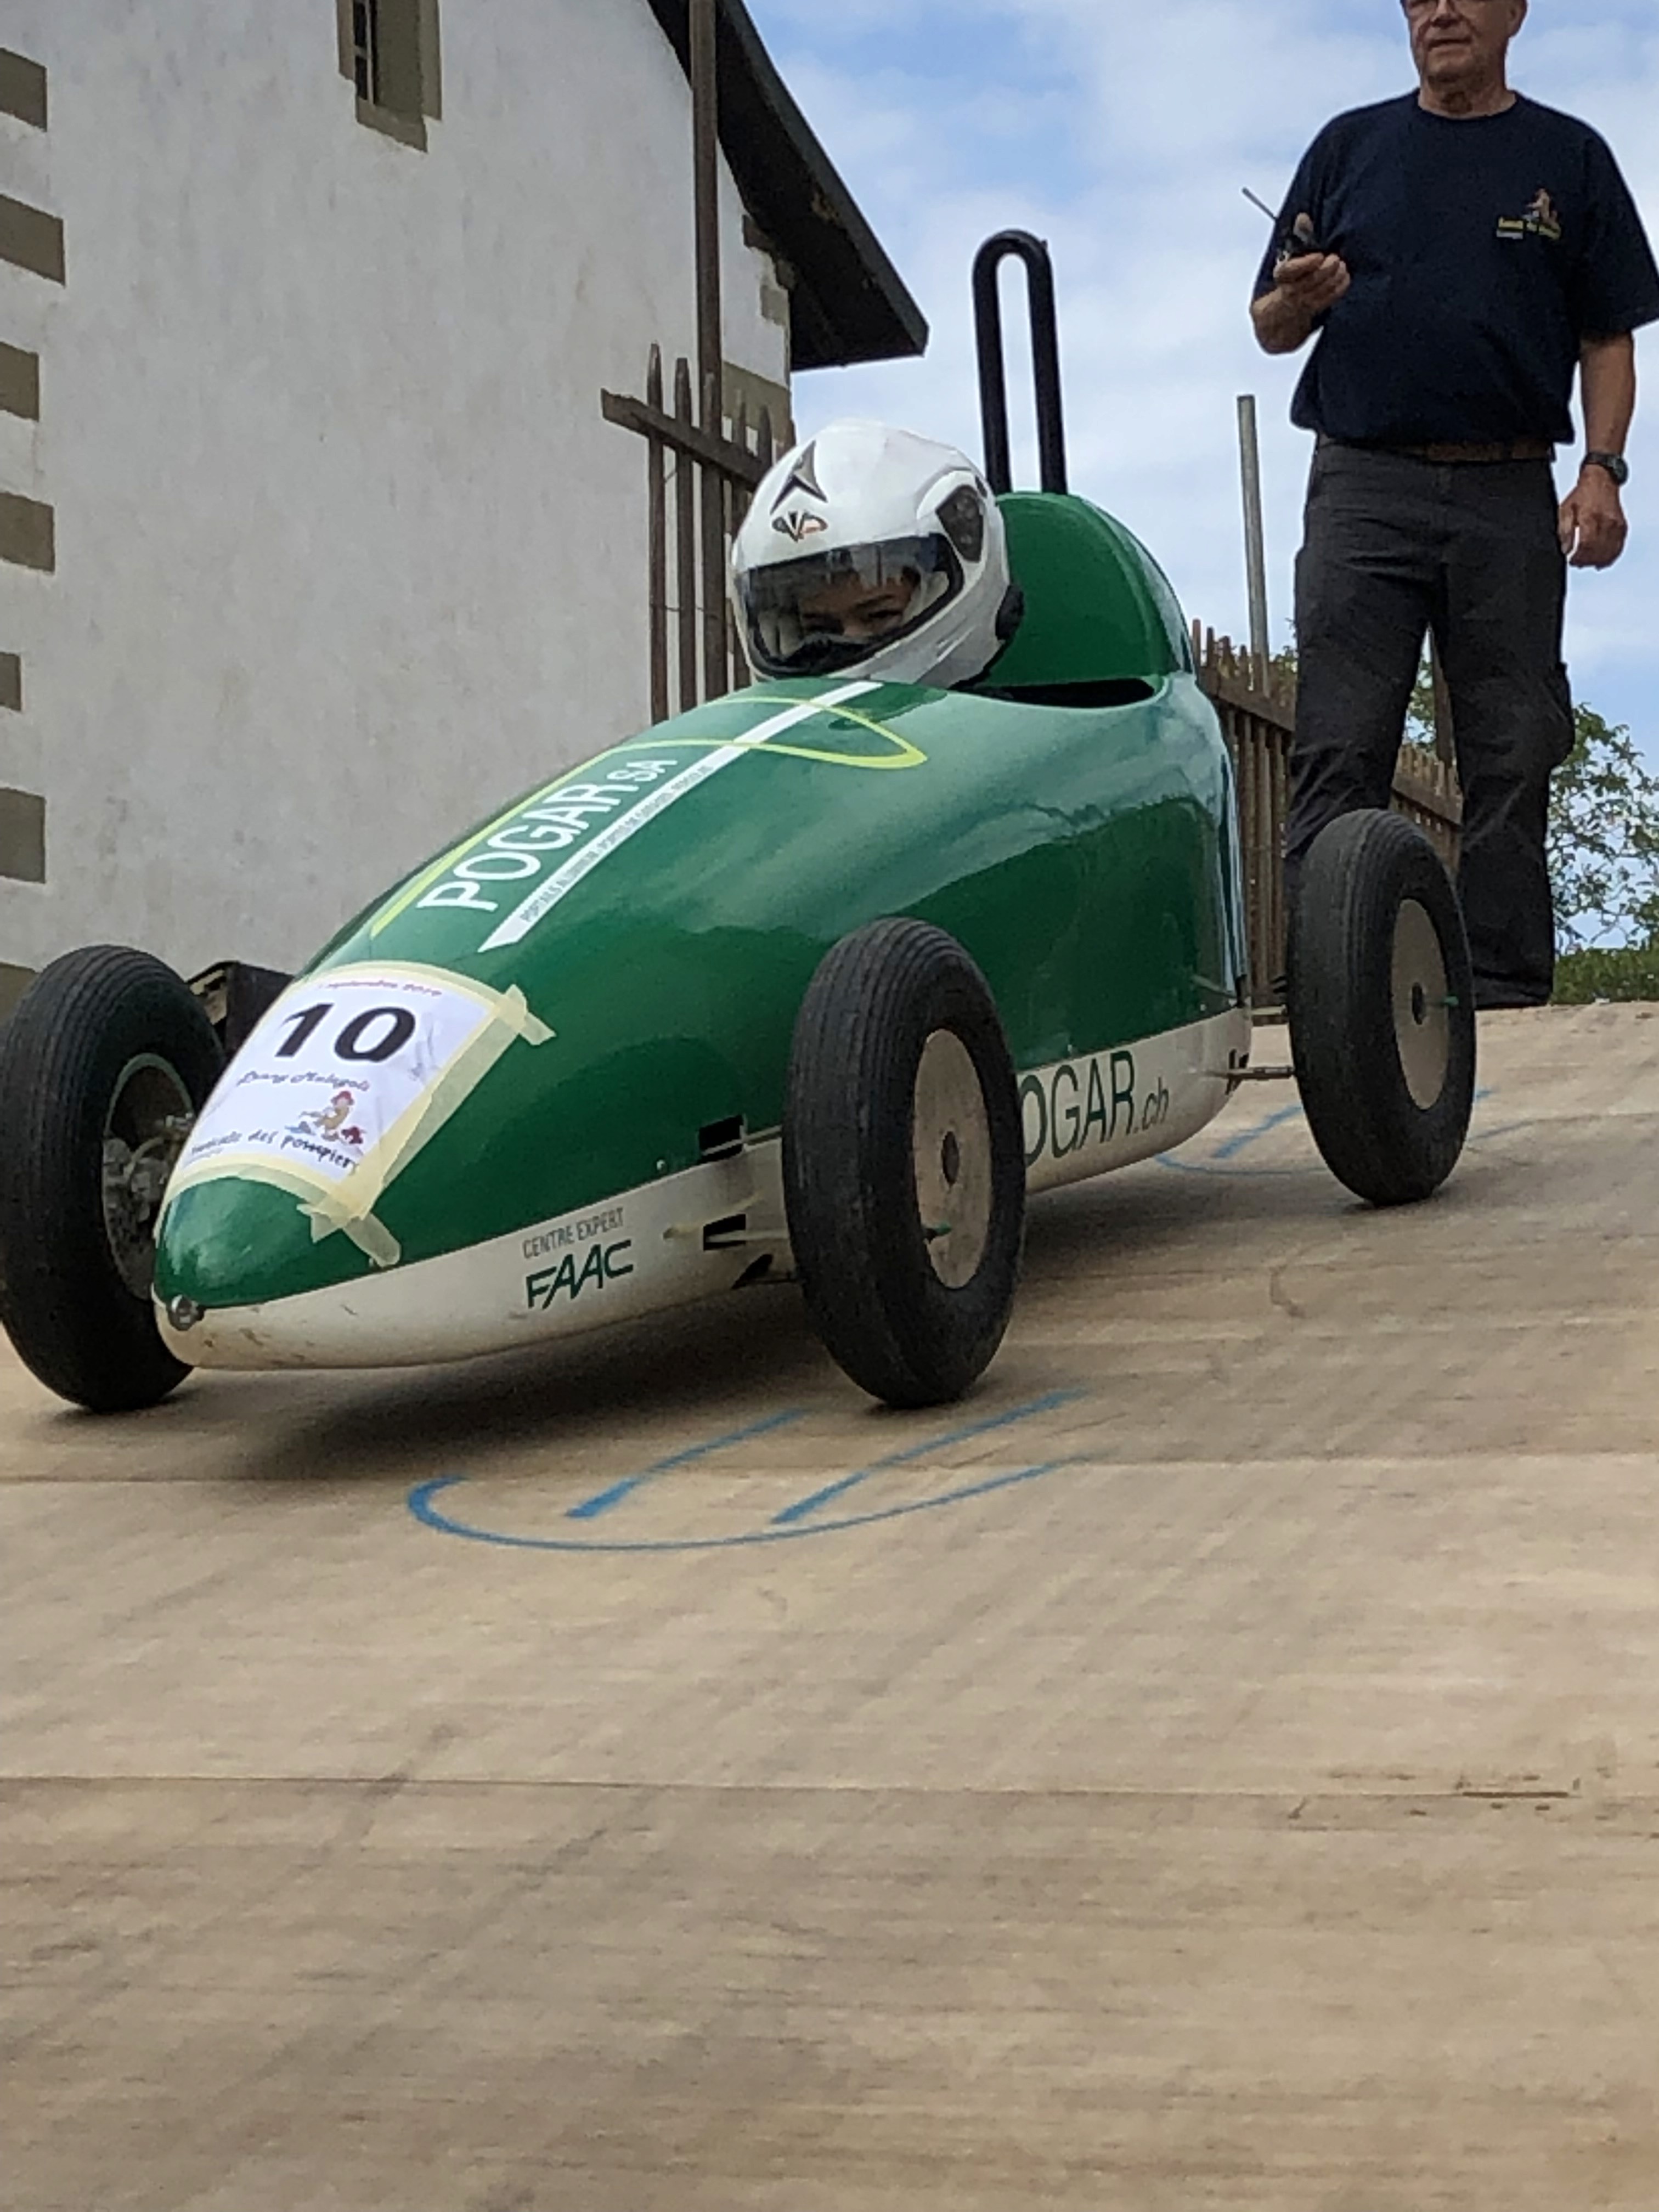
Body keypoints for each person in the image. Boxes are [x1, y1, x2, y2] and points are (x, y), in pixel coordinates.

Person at [1252, 0, 1659, 1009]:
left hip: (1507, 490)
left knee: (1511, 750)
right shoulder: (1346, 148)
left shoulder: (1567, 158)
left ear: (1512, 12)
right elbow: (1266, 323)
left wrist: (1600, 468)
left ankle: (1504, 995)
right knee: (1339, 748)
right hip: (1360, 488)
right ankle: (1329, 1000)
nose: (1439, 12)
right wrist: (1296, 298)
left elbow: (1607, 338)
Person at [730, 420, 1022, 689]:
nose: (849, 639)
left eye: (879, 615)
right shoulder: (777, 741)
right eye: (819, 632)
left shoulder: (1025, 741)